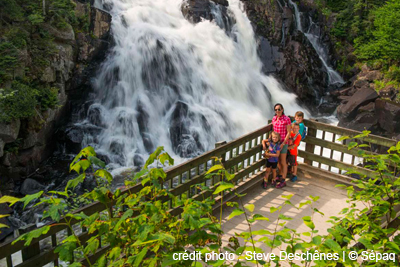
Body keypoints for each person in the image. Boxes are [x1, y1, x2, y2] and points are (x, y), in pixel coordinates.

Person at [271, 103, 291, 181]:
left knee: (283, 161)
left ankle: (283, 178)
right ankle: (280, 174)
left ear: (282, 110)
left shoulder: (287, 119)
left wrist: (283, 143)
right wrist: (270, 141)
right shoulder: (274, 119)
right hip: (276, 143)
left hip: (283, 143)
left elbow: (289, 132)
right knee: (278, 160)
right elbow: (273, 131)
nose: (277, 111)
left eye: (279, 109)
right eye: (276, 110)